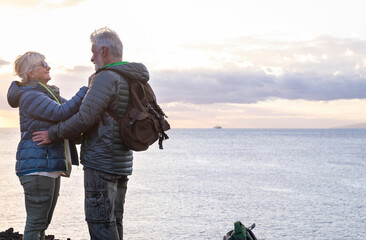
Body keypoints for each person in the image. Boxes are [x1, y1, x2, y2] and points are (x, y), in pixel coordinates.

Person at [32, 27, 150, 240]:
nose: (91, 57)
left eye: (94, 51)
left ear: (104, 51)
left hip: (101, 162)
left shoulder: (106, 77)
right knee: (114, 221)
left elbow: (84, 118)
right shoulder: (133, 76)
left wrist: (53, 133)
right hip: (121, 163)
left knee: (100, 224)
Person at [7, 51, 88, 240]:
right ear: (30, 72)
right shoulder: (30, 96)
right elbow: (62, 112)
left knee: (42, 224)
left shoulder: (46, 94)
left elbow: (74, 112)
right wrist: (87, 89)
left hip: (47, 167)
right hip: (37, 169)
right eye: (43, 63)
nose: (48, 66)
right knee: (36, 224)